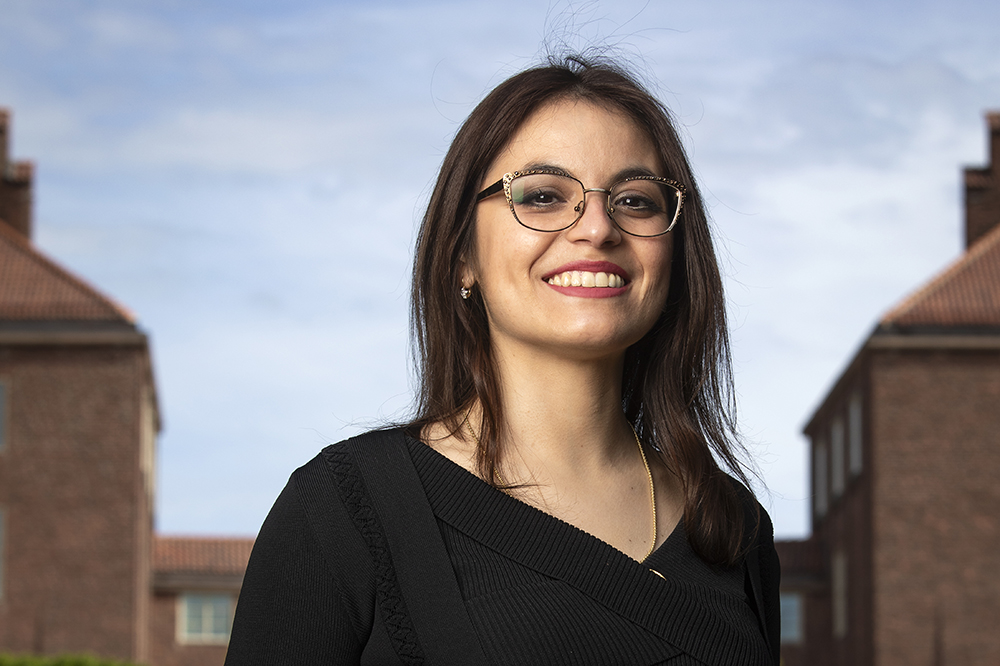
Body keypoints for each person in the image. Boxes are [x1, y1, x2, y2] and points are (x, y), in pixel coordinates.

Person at [225, 56, 780, 666]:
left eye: (636, 201)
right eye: (543, 196)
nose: (597, 227)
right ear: (462, 255)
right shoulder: (343, 510)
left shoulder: (732, 527)